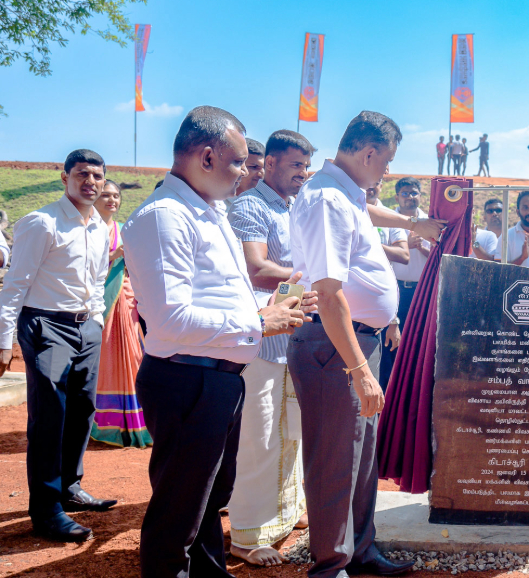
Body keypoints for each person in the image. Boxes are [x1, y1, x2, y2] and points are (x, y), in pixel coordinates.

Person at [123, 106, 311, 577]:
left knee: (209, 499)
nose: (244, 173)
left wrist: (267, 315)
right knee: (179, 511)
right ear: (206, 157)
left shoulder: (207, 210)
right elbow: (171, 317)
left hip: (219, 376)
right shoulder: (164, 217)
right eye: (238, 163)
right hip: (188, 378)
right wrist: (258, 322)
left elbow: (224, 292)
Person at [286, 111, 421, 578]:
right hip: (333, 349)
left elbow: (365, 246)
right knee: (334, 461)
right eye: (387, 162)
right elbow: (328, 292)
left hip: (355, 341)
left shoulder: (348, 194)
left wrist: (387, 315)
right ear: (369, 153)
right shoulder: (327, 199)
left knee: (362, 458)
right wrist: (359, 369)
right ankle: (331, 566)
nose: (387, 172)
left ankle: (361, 552)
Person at [0, 148, 116, 543]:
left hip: (86, 329)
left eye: (97, 177)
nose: (91, 182)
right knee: (50, 416)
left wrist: (96, 321)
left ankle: (70, 486)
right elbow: (15, 285)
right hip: (47, 325)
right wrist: (3, 341)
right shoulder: (42, 222)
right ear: (63, 176)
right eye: (82, 174)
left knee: (83, 409)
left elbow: (98, 281)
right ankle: (47, 509)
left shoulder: (100, 226)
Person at [226, 129, 316, 566]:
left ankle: (287, 512)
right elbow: (256, 268)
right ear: (274, 163)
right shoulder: (248, 205)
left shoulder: (296, 207)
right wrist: (313, 279)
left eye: (306, 165)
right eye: (297, 165)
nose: (304, 173)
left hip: (295, 335)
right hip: (261, 339)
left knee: (293, 431)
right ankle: (247, 535)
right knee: (260, 437)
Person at [89, 179, 151, 449]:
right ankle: (103, 425)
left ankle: (136, 423)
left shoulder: (123, 230)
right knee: (104, 363)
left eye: (116, 195)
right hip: (97, 305)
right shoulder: (86, 229)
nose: (112, 200)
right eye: (105, 195)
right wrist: (113, 255)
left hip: (124, 302)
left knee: (134, 358)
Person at [381, 177, 428, 391]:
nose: (410, 197)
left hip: (422, 291)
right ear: (397, 196)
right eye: (405, 193)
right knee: (391, 342)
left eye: (414, 193)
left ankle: (413, 391)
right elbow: (378, 257)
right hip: (395, 290)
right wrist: (405, 246)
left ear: (420, 195)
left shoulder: (430, 221)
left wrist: (423, 249)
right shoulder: (388, 219)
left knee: (418, 343)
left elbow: (441, 258)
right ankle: (391, 390)